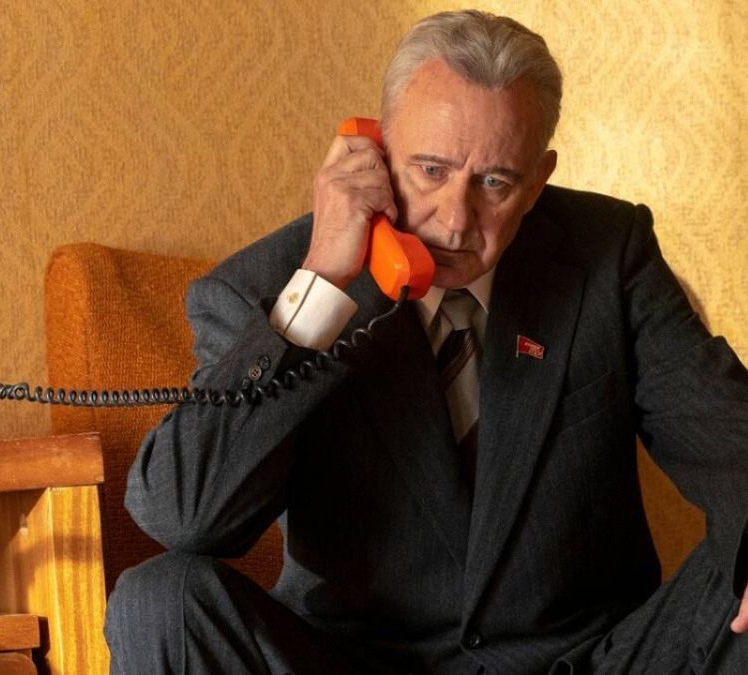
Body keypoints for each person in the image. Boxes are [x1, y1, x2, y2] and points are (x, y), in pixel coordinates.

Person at [105, 9, 748, 674]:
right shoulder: (266, 287)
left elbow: (726, 433)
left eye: (494, 182)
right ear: (375, 154)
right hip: (352, 662)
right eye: (431, 170)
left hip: (584, 660)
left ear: (537, 180)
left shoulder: (608, 254)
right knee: (160, 599)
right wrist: (321, 287)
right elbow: (183, 517)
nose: (455, 219)